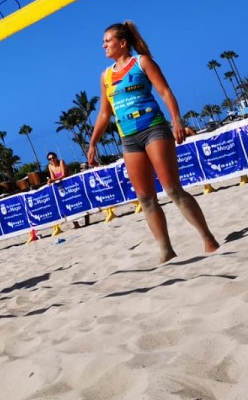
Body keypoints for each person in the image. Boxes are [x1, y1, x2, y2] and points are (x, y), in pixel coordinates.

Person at [87, 21, 219, 264]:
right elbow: (105, 114)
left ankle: (208, 238)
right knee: (146, 198)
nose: (103, 45)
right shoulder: (105, 76)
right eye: (104, 41)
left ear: (122, 43)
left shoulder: (142, 62)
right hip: (128, 138)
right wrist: (93, 142)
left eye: (108, 40)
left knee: (172, 190)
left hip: (154, 128)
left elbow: (165, 92)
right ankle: (166, 250)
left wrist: (176, 121)